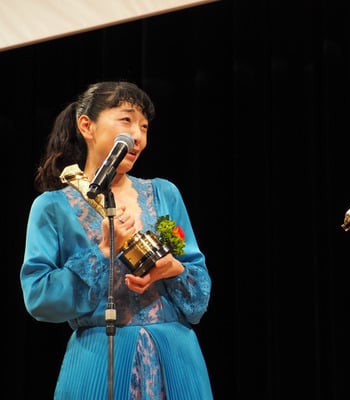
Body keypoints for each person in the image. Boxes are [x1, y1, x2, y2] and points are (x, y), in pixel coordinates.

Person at [20, 81, 213, 399]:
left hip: (176, 356)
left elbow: (199, 296)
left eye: (144, 127)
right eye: (126, 120)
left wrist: (173, 269)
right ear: (87, 125)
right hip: (100, 357)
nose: (138, 137)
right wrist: (103, 252)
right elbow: (39, 297)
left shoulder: (163, 193)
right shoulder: (52, 207)